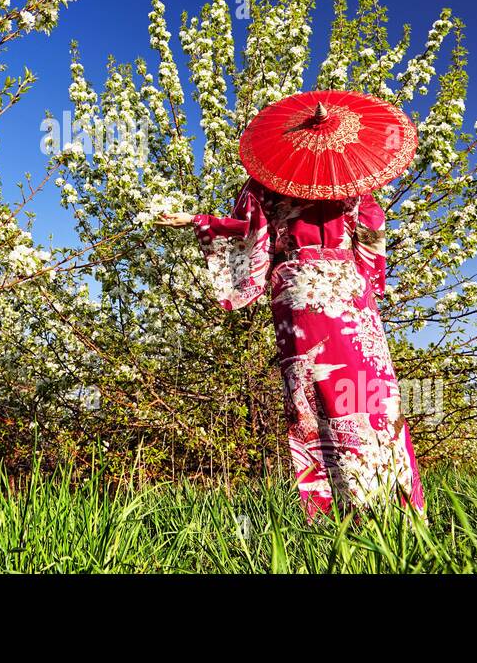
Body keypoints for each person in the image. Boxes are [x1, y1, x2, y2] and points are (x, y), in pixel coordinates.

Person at [156, 178, 425, 523]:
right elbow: (372, 226)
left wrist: (197, 221)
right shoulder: (351, 177)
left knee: (314, 396)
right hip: (349, 284)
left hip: (300, 284)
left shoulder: (269, 179)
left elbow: (248, 233)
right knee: (371, 390)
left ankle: (338, 513)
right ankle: (397, 505)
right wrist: (368, 279)